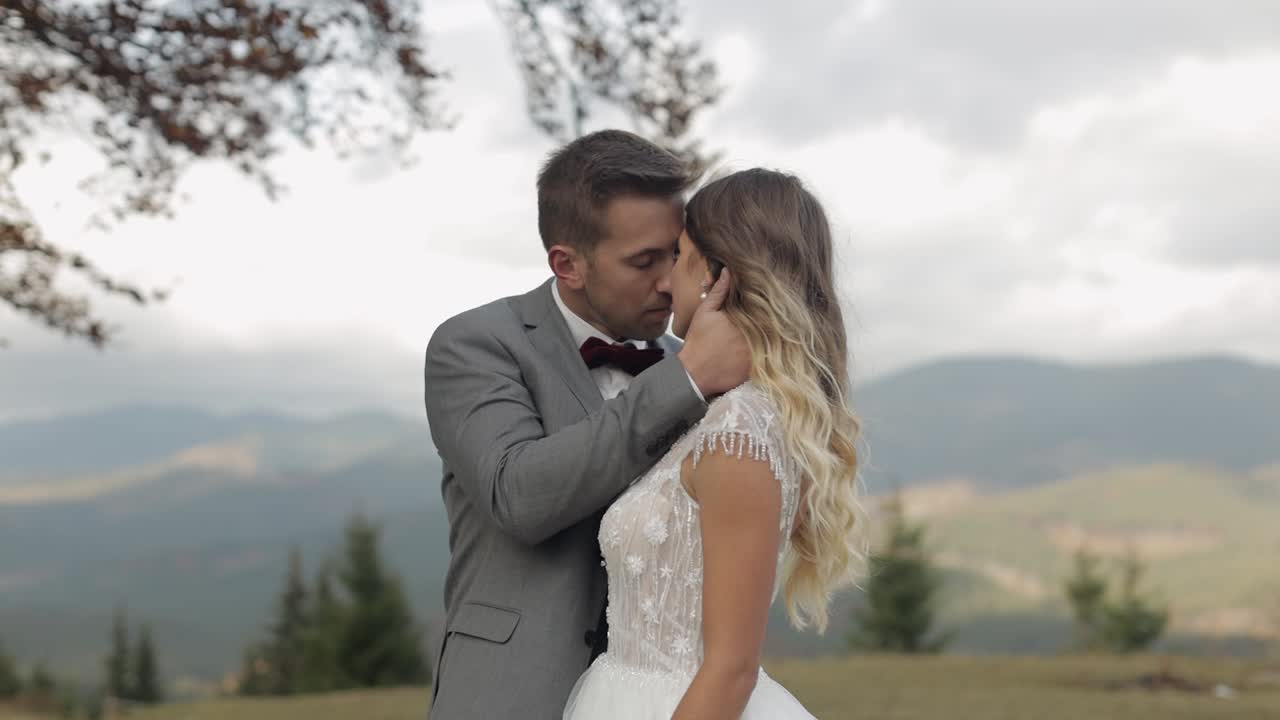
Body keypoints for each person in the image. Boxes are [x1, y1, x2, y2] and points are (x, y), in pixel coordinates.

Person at [423, 129, 752, 719]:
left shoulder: (697, 364)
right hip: (510, 695)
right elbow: (518, 495)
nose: (667, 280)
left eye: (675, 255)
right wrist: (684, 381)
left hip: (661, 697)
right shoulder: (472, 345)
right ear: (567, 264)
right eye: (643, 261)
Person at [562, 168, 867, 719]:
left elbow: (730, 669)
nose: (664, 281)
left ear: (716, 274)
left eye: (678, 256)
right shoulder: (717, 414)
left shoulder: (739, 432)